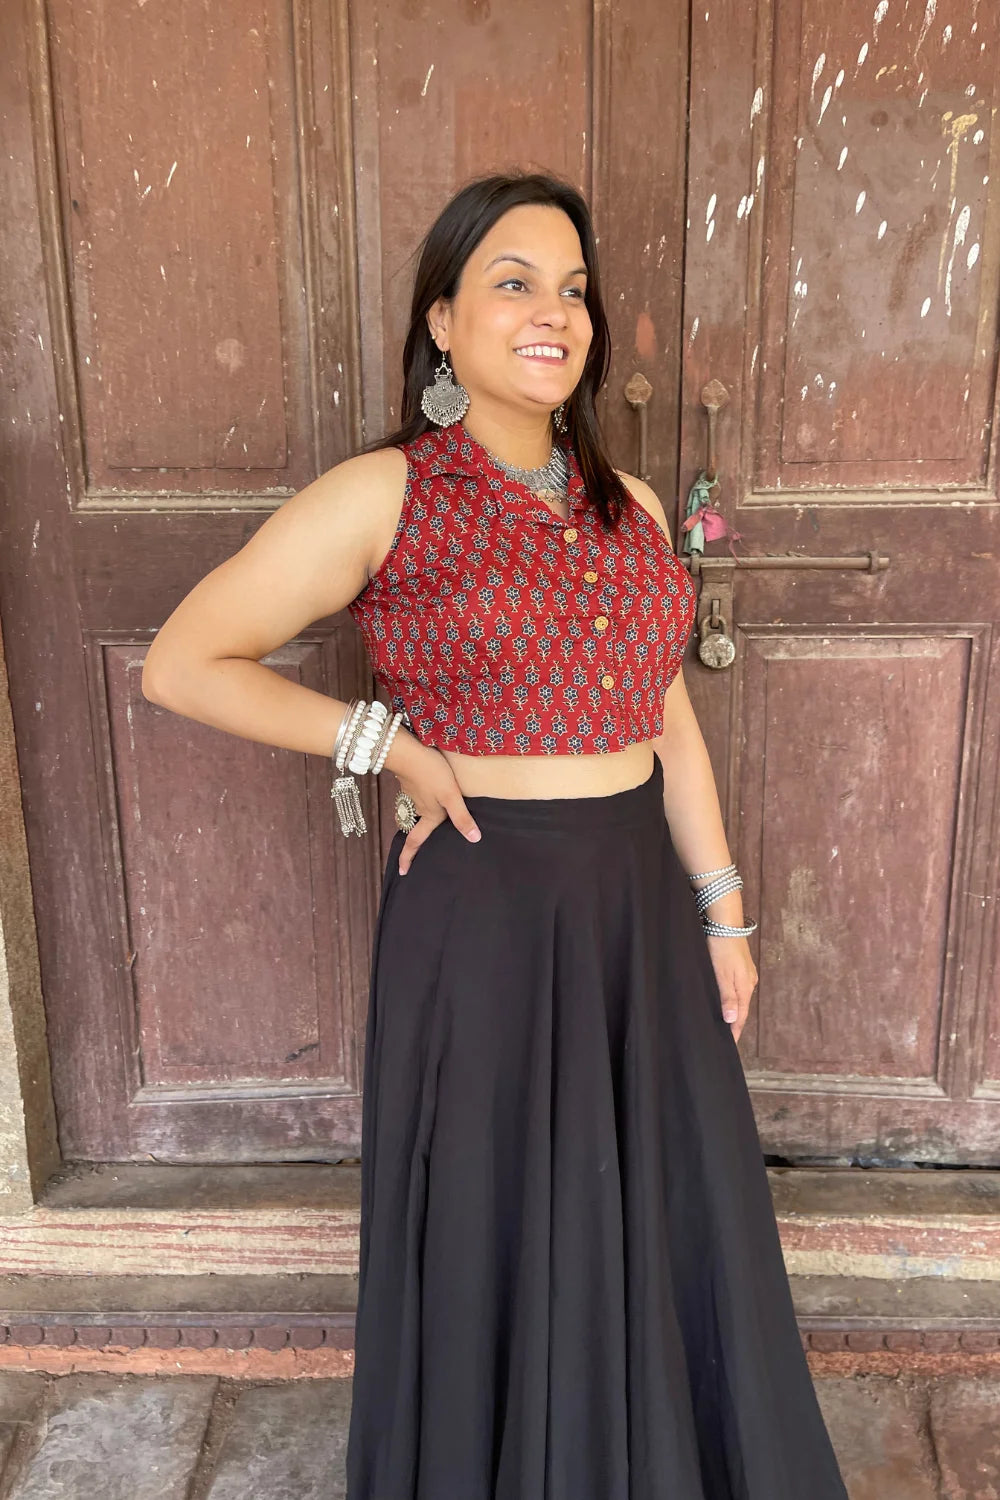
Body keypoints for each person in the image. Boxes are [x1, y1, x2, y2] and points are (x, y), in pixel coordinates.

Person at [142, 170, 848, 1499]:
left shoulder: (628, 505)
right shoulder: (386, 493)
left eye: (573, 289)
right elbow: (185, 663)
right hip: (484, 919)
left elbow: (669, 723)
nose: (554, 312)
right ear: (445, 325)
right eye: (513, 282)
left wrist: (726, 912)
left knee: (665, 1209)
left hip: (638, 909)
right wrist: (388, 743)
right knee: (495, 1220)